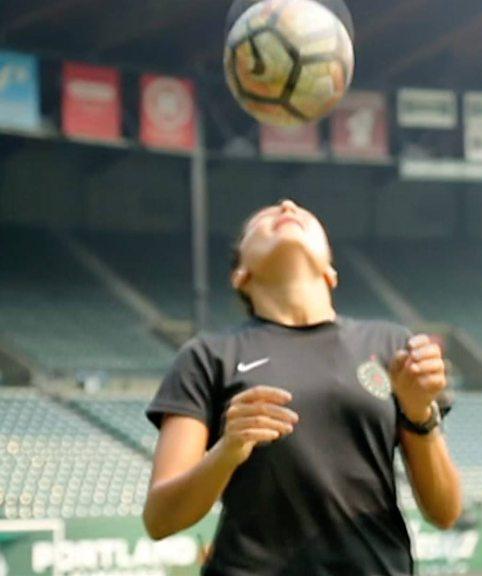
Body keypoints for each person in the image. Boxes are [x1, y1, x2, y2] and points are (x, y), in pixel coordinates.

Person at [142, 199, 461, 575]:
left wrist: (419, 413)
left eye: (303, 214)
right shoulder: (208, 356)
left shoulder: (391, 345)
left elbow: (445, 512)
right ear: (240, 274)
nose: (287, 207)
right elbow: (160, 520)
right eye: (262, 219)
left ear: (330, 271)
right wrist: (228, 450)